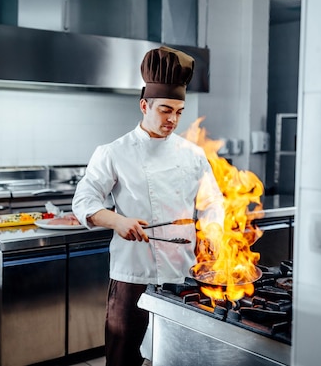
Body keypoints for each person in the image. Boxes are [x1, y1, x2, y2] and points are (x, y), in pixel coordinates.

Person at [72, 46, 225, 366]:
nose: (173, 119)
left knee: (180, 356)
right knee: (123, 357)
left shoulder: (193, 154)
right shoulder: (112, 152)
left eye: (179, 112)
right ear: (144, 105)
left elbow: (212, 201)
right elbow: (83, 201)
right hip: (132, 274)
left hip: (183, 273)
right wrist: (116, 221)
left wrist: (212, 232)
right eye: (165, 110)